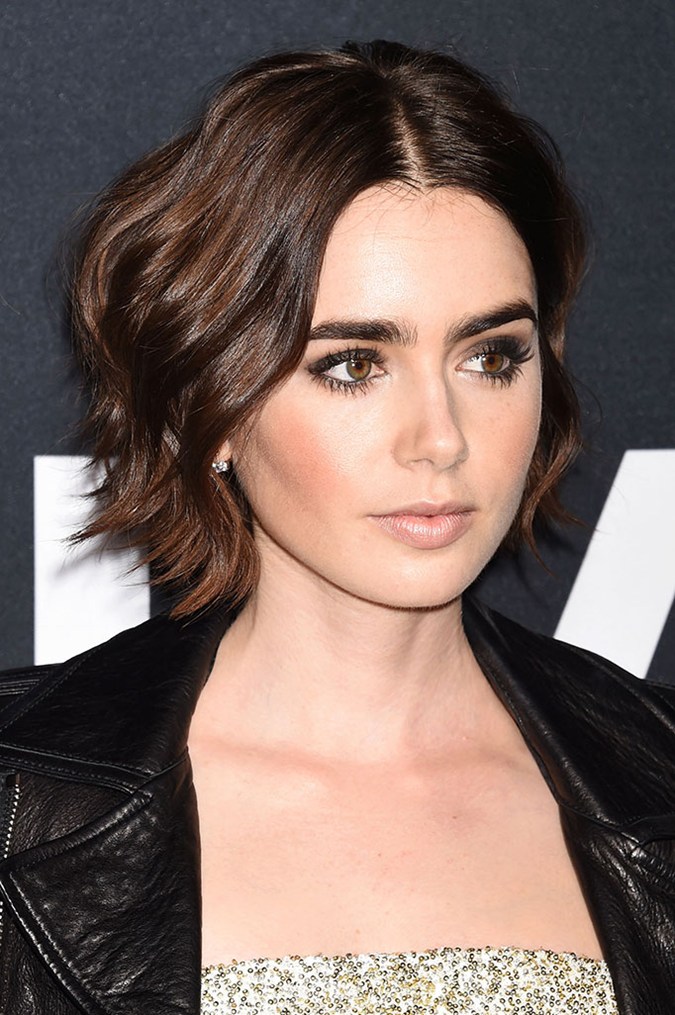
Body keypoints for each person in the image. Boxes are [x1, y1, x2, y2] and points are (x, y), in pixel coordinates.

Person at [0, 39, 672, 1015]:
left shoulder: (658, 776)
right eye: (353, 365)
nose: (440, 438)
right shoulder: (22, 799)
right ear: (211, 404)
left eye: (490, 357)